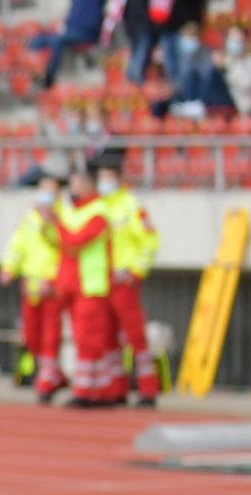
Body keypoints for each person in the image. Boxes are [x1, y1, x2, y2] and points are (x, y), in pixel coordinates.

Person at [97, 158, 160, 407]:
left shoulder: (131, 206)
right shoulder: (98, 206)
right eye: (101, 178)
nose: (103, 183)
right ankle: (116, 388)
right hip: (102, 280)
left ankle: (148, 389)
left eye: (107, 178)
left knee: (135, 334)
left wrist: (136, 271)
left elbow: (150, 240)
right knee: (107, 336)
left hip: (124, 280)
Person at [52, 167, 116, 409]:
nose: (72, 188)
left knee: (90, 339)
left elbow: (74, 241)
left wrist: (56, 224)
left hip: (90, 284)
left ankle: (89, 390)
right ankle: (96, 389)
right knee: (82, 339)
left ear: (88, 185)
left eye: (76, 183)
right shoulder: (73, 211)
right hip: (72, 283)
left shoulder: (99, 211)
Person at [0, 176, 65, 401]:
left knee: (51, 334)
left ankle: (47, 379)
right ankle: (53, 373)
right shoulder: (29, 218)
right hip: (31, 286)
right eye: (42, 190)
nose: (45, 195)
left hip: (52, 286)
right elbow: (17, 245)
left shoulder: (64, 216)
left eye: (50, 191)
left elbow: (65, 249)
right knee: (31, 335)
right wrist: (9, 268)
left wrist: (55, 279)